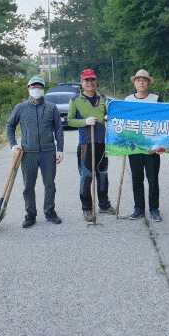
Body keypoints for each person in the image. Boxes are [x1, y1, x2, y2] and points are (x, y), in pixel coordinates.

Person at [6, 77, 63, 228]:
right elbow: (10, 125)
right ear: (28, 88)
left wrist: (60, 149)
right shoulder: (21, 108)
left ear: (43, 89)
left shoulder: (51, 107)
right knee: (28, 186)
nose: (36, 89)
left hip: (48, 152)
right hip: (28, 153)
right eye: (33, 86)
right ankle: (30, 214)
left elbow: (58, 129)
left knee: (49, 184)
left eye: (39, 86)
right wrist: (13, 145)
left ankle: (49, 211)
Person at [67, 69, 116, 222]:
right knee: (86, 177)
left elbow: (111, 113)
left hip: (101, 143)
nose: (90, 83)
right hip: (86, 145)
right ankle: (87, 208)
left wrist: (108, 117)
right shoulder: (75, 100)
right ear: (81, 83)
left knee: (103, 175)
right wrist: (84, 122)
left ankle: (104, 204)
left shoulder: (103, 98)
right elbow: (69, 120)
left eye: (92, 80)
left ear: (96, 81)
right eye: (86, 80)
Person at [125, 69, 163, 222]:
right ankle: (139, 208)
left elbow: (163, 123)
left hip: (151, 148)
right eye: (138, 80)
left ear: (149, 83)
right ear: (134, 83)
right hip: (134, 147)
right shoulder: (128, 100)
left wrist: (159, 144)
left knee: (153, 179)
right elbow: (123, 122)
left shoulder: (156, 99)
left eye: (144, 80)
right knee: (137, 179)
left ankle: (154, 209)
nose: (141, 82)